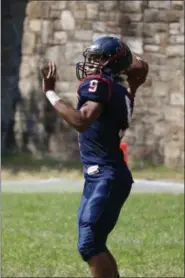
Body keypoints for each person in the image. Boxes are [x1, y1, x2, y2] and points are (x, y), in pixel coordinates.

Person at [41, 36, 148, 278]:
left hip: (106, 175)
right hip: (101, 175)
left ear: (112, 63)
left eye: (98, 58)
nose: (91, 63)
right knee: (93, 241)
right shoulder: (125, 89)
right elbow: (140, 67)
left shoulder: (101, 84)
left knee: (89, 243)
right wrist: (124, 61)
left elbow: (81, 120)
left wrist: (49, 93)